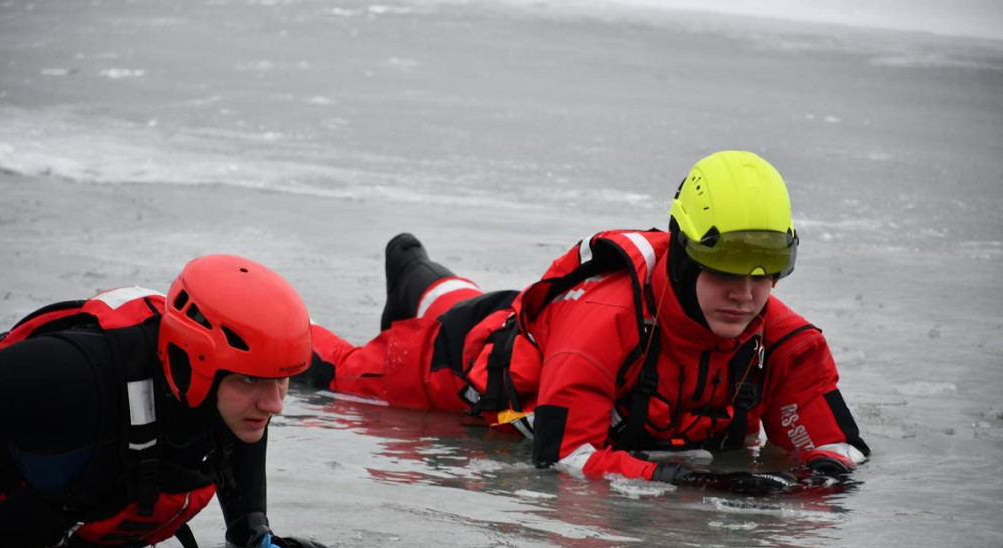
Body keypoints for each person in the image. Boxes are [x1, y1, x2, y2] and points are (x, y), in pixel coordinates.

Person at [297, 150, 869, 494]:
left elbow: (839, 449)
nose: (745, 296)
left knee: (462, 303)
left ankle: (415, 274)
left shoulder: (782, 338)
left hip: (519, 321)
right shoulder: (607, 319)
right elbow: (564, 456)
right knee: (334, 370)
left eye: (763, 276)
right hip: (465, 363)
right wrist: (688, 484)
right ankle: (296, 312)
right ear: (686, 256)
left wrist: (811, 478)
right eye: (725, 274)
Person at [0, 254, 330, 548]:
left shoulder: (234, 408)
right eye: (251, 379)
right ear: (194, 363)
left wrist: (251, 532)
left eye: (280, 380)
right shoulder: (69, 377)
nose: (274, 405)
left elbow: (241, 429)